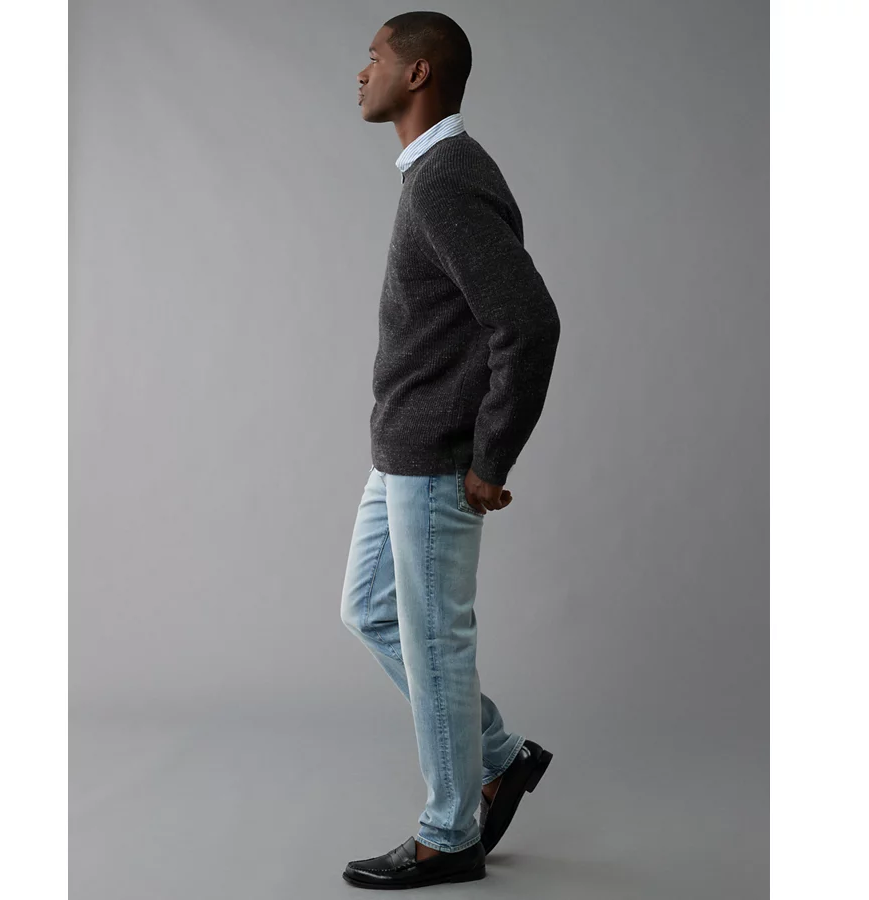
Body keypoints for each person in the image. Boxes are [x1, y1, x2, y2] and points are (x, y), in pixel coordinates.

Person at [340, 11, 559, 890]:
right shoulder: (434, 173)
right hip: (403, 450)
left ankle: (449, 835)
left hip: (436, 460)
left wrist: (490, 458)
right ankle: (501, 754)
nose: (362, 73)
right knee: (370, 611)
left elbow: (528, 322)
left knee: (435, 646)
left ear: (418, 73)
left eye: (374, 58)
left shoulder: (446, 181)